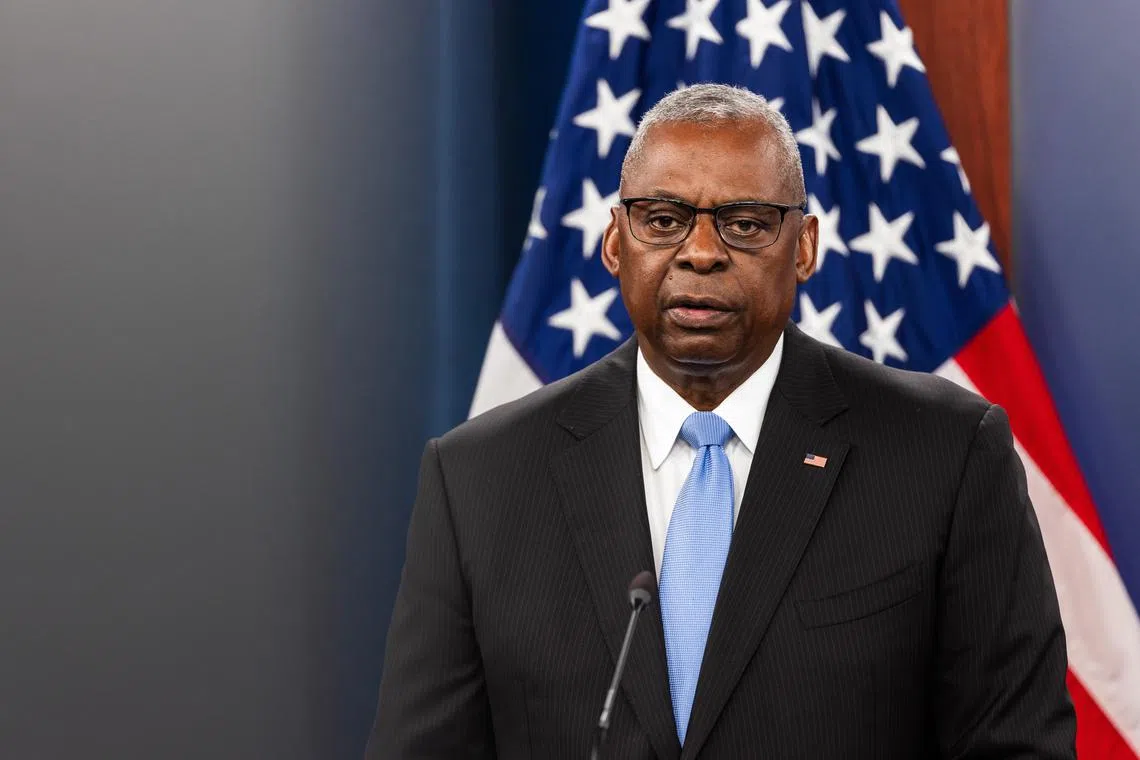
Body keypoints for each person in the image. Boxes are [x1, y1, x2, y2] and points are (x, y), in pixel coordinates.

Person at [366, 85, 1075, 759]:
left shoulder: (944, 456)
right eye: (664, 219)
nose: (700, 253)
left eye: (744, 224)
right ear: (616, 241)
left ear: (804, 247)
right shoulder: (479, 479)